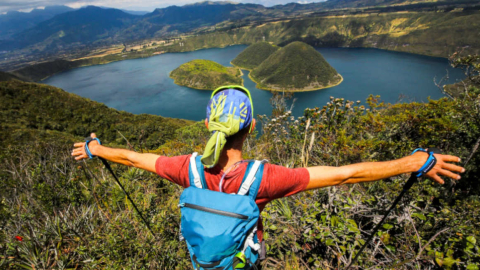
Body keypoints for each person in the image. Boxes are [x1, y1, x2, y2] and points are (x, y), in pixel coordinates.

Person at [71, 85, 464, 268]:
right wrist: (411, 163)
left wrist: (97, 149)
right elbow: (346, 175)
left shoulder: (185, 168)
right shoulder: (262, 180)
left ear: (207, 122)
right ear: (253, 126)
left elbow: (136, 158)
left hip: (200, 261)